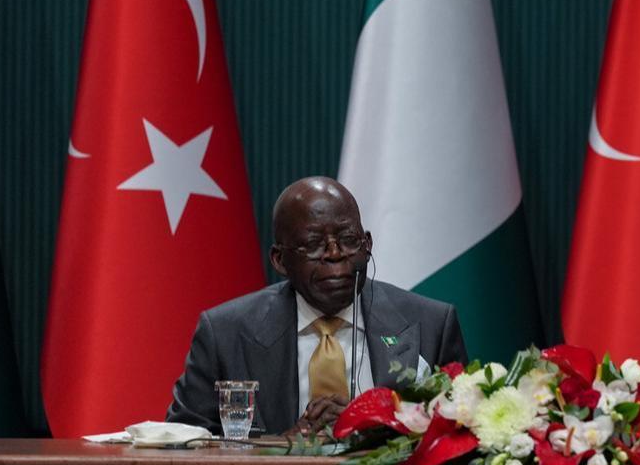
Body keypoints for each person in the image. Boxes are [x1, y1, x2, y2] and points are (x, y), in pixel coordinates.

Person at [166, 176, 468, 437]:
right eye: (313, 244)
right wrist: (280, 448)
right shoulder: (225, 333)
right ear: (279, 260)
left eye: (349, 240)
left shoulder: (430, 324)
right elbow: (185, 442)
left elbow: (462, 434)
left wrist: (374, 432)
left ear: (368, 244)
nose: (335, 254)